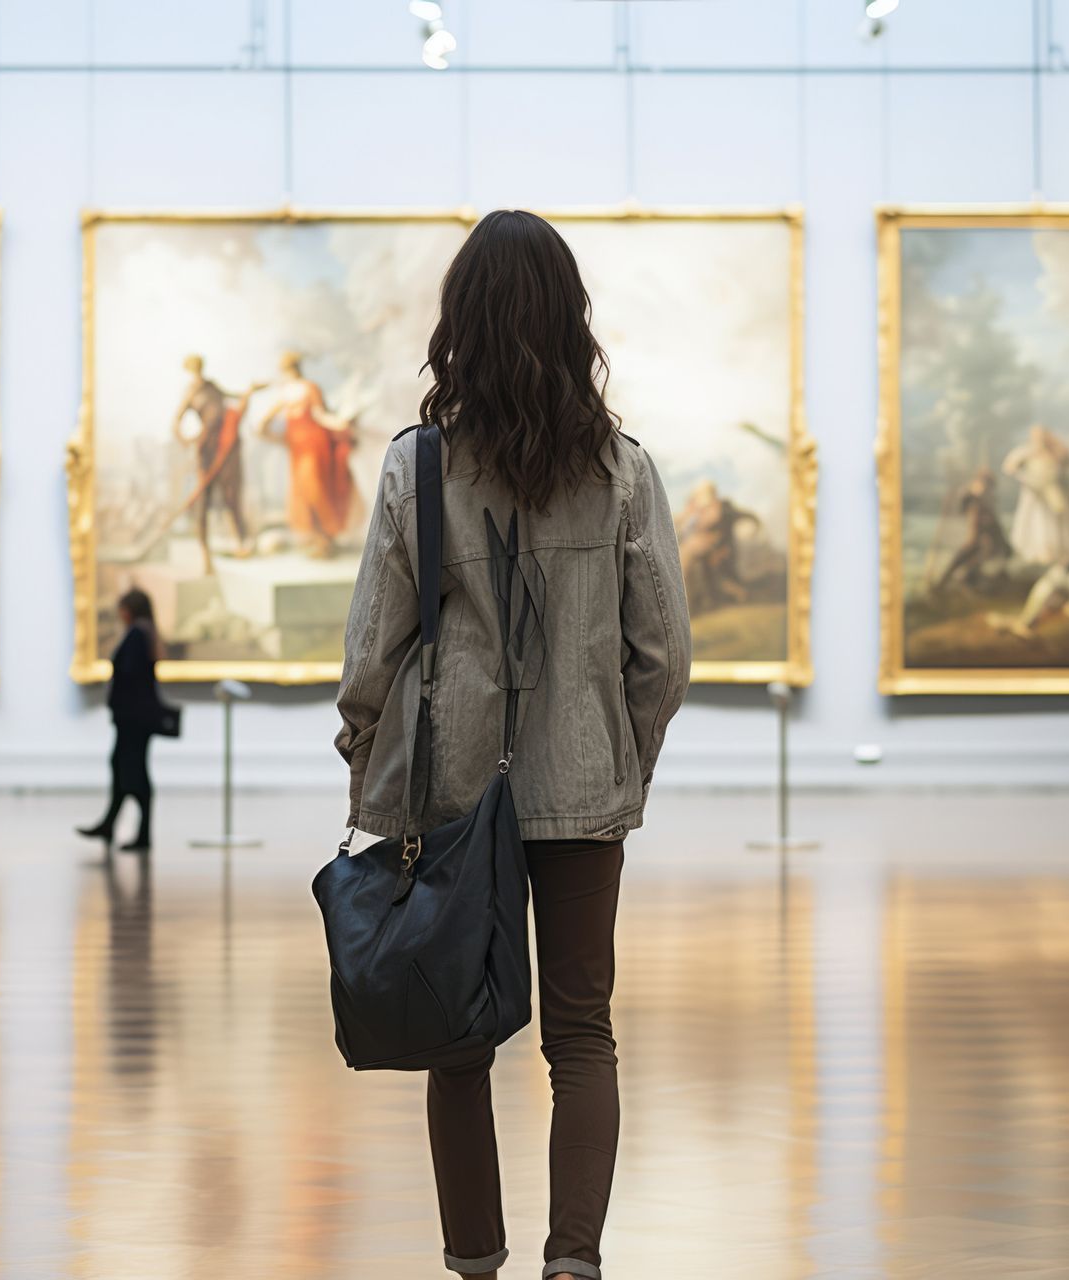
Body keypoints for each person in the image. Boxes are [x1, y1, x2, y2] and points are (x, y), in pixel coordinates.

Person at [335, 209, 692, 1280]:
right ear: (569, 321)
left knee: (460, 1034)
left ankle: (476, 1261)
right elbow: (662, 653)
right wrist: (620, 757)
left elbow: (372, 648)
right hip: (584, 792)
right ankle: (573, 1262)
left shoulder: (418, 467)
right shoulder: (622, 468)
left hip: (451, 796)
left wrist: (365, 757)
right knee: (582, 1032)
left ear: (463, 325)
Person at [77, 588, 167, 854]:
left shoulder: (138, 634)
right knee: (124, 768)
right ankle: (112, 823)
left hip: (133, 718)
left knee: (131, 771)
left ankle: (137, 830)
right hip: (136, 717)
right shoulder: (146, 632)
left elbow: (130, 675)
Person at [257, 350, 355, 558]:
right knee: (303, 492)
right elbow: (265, 422)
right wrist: (270, 434)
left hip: (314, 445)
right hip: (297, 448)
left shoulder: (309, 388)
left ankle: (328, 535)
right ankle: (320, 539)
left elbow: (320, 415)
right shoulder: (286, 393)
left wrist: (338, 423)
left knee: (314, 487)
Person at [171, 354, 263, 574]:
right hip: (207, 450)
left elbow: (235, 398)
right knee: (203, 502)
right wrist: (188, 441)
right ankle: (206, 557)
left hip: (225, 448)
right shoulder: (191, 392)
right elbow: (176, 423)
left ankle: (241, 543)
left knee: (232, 495)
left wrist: (250, 391)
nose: (198, 369)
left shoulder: (213, 387)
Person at [676, 478, 761, 613]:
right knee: (688, 560)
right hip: (703, 552)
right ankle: (688, 603)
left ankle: (686, 604)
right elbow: (683, 527)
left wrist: (754, 527)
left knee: (688, 557)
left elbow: (746, 517)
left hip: (719, 551)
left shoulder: (723, 508)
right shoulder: (695, 511)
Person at [1002, 424, 1069, 564]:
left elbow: (1067, 463)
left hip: (1051, 493)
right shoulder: (1026, 452)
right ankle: (1039, 553)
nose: (1039, 439)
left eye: (1042, 436)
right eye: (1036, 436)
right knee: (1038, 522)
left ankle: (1053, 553)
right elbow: (1009, 467)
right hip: (1034, 495)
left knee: (1052, 522)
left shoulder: (1054, 453)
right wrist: (1025, 476)